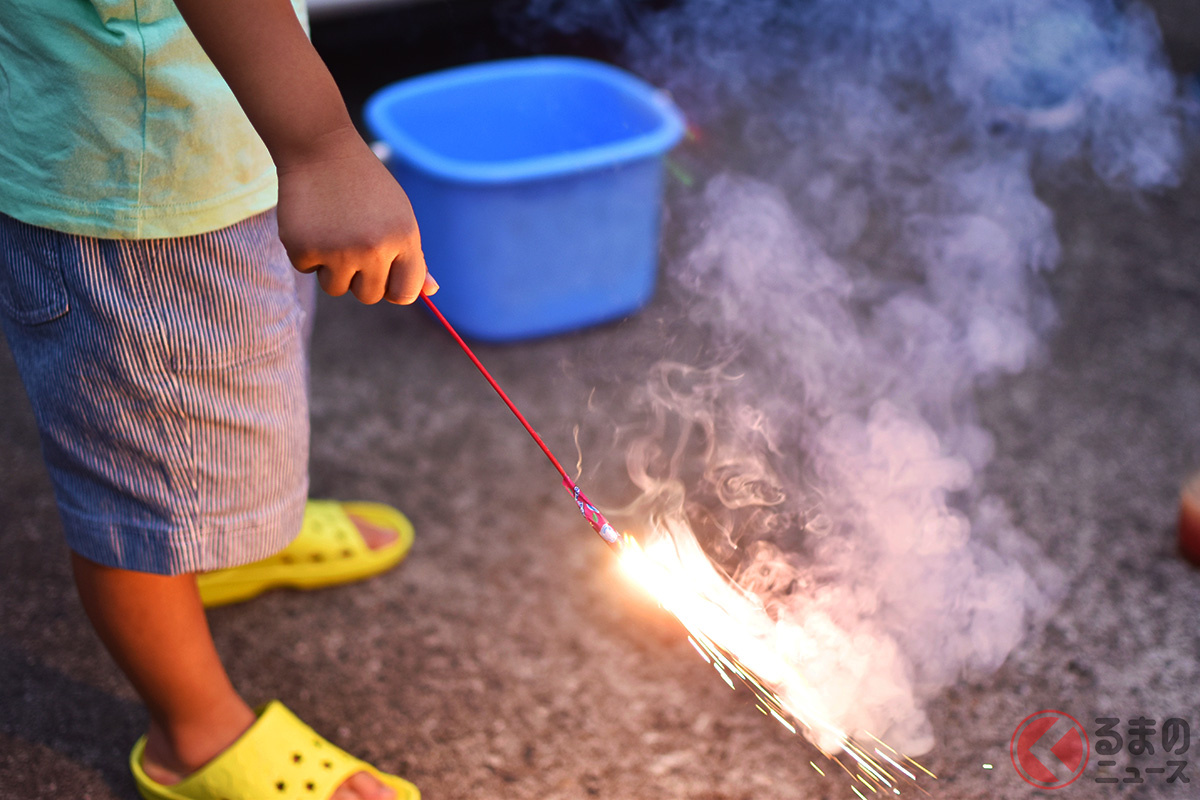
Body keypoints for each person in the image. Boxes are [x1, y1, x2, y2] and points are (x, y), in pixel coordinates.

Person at [0, 0, 434, 798]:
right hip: (129, 177)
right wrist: (321, 147)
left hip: (216, 133)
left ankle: (230, 538)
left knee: (231, 388)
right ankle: (192, 735)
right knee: (139, 483)